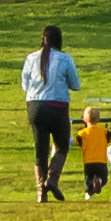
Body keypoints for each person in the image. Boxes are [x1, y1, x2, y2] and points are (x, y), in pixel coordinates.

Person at [23, 26, 83, 202]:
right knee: (62, 145)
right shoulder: (65, 59)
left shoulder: (31, 58)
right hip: (57, 107)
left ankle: (40, 191)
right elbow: (76, 84)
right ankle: (52, 179)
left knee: (40, 149)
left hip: (34, 107)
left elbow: (24, 85)